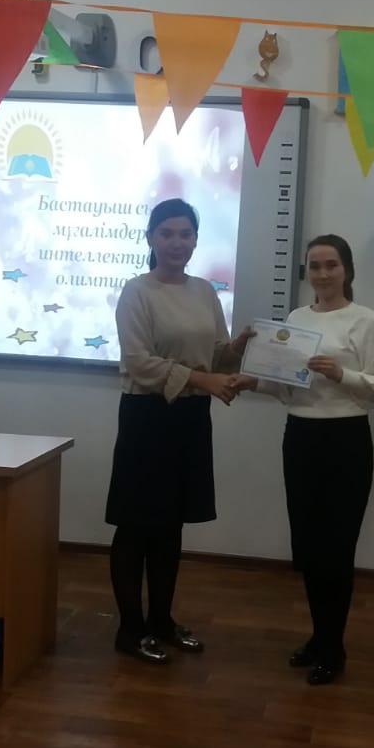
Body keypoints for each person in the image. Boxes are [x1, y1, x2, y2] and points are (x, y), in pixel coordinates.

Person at [239, 235, 374, 686]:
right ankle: (318, 636)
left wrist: (340, 373)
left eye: (331, 265)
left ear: (347, 269)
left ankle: (333, 647)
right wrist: (253, 381)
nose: (323, 273)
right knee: (308, 547)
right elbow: (287, 386)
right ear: (305, 272)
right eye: (315, 266)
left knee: (337, 549)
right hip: (301, 437)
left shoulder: (365, 320)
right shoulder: (295, 319)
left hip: (346, 440)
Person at [105, 197, 251, 664]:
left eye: (185, 234)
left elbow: (216, 357)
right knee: (136, 526)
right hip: (147, 418)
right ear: (150, 238)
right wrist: (205, 380)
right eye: (166, 233)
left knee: (170, 526)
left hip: (189, 419)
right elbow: (139, 363)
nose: (176, 242)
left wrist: (239, 347)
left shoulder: (205, 291)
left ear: (195, 240)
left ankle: (162, 621)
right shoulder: (137, 291)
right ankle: (130, 629)